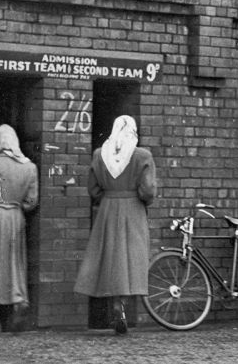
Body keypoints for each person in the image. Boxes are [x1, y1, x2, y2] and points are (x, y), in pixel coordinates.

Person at [74, 115, 157, 334]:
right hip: (133, 210)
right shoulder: (142, 155)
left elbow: (93, 189)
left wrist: (108, 196)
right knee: (131, 259)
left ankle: (115, 305)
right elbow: (148, 190)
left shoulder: (100, 154)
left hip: (108, 209)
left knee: (110, 258)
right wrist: (141, 198)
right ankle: (123, 306)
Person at [0, 125, 38, 333]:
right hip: (17, 218)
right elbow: (32, 201)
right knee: (15, 263)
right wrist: (17, 206)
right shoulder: (29, 167)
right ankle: (18, 301)